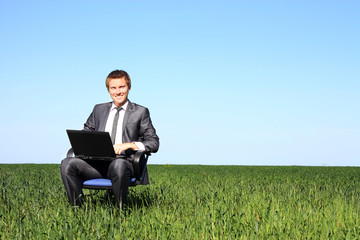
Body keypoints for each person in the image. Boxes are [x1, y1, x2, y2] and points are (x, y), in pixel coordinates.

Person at [60, 70, 159, 207]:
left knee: (118, 164)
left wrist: (129, 145)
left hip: (124, 164)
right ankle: (77, 210)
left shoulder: (140, 112)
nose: (118, 91)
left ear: (128, 87)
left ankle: (120, 212)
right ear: (108, 90)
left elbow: (153, 143)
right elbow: (86, 135)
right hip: (97, 166)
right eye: (113, 88)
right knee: (67, 163)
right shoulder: (98, 110)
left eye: (122, 87)